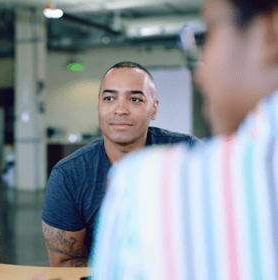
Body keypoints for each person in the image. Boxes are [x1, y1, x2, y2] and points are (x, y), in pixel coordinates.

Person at [91, 0, 278, 279]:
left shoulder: (148, 185)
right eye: (109, 98)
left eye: (208, 35)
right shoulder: (69, 173)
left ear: (270, 34)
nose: (199, 74)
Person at [42, 61, 201, 267]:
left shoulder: (188, 155)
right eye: (109, 98)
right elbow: (65, 262)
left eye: (135, 99)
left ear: (154, 108)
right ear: (99, 105)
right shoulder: (69, 175)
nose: (120, 110)